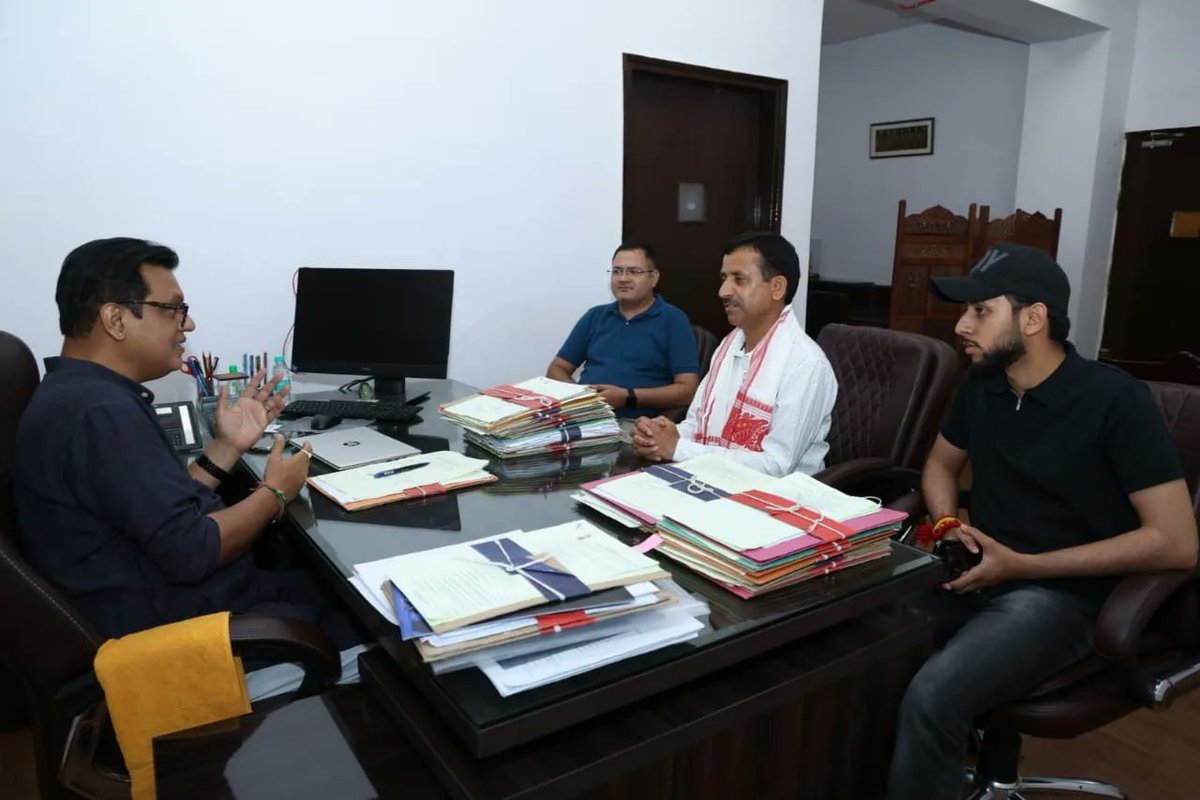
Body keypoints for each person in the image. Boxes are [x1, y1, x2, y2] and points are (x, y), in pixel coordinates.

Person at [885, 243, 1198, 800]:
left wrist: (1024, 565)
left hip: (1064, 594)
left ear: (1033, 319)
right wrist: (948, 523)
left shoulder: (1115, 402)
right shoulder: (983, 384)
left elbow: (1176, 543)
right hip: (982, 570)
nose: (961, 324)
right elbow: (939, 465)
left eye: (981, 311)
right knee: (860, 645)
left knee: (933, 695)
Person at [13, 238, 366, 694]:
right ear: (115, 318)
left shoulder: (78, 397)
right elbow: (192, 550)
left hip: (173, 601)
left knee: (332, 583)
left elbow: (156, 512)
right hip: (186, 640)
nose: (188, 324)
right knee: (378, 624)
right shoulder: (102, 414)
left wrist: (226, 447)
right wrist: (274, 492)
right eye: (173, 309)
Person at [632, 232, 836, 477]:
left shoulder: (805, 364)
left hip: (779, 501)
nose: (723, 291)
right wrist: (664, 434)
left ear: (777, 287)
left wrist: (678, 448)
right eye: (724, 278)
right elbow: (697, 424)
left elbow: (777, 466)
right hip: (714, 482)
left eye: (739, 279)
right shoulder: (729, 345)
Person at [547, 243, 699, 418]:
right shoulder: (595, 316)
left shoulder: (673, 320)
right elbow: (557, 368)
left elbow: (687, 390)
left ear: (654, 277)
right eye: (617, 271)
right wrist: (582, 397)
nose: (623, 278)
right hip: (586, 417)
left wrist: (628, 396)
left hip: (635, 423)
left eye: (634, 271)